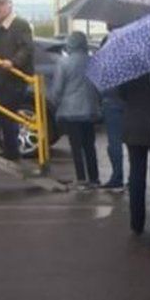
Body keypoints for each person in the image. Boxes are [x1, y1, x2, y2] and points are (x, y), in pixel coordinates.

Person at [48, 31, 101, 188]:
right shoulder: (93, 61)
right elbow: (99, 86)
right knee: (90, 145)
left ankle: (81, 179)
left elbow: (57, 89)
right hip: (90, 110)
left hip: (70, 112)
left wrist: (55, 103)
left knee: (76, 147)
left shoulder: (64, 63)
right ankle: (94, 178)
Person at [0, 0, 34, 160]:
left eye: (0, 4)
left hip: (14, 79)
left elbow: (26, 48)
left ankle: (12, 153)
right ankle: (9, 150)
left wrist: (13, 62)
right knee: (2, 116)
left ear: (10, 6)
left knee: (9, 115)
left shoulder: (20, 24)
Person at [119, 72, 150, 235]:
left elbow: (121, 95)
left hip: (133, 126)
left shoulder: (127, 72)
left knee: (136, 176)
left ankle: (137, 223)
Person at [99, 24, 125, 191]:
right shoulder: (134, 49)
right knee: (132, 144)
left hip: (112, 100)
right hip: (129, 103)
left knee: (114, 143)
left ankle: (117, 177)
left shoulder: (107, 49)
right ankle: (132, 177)